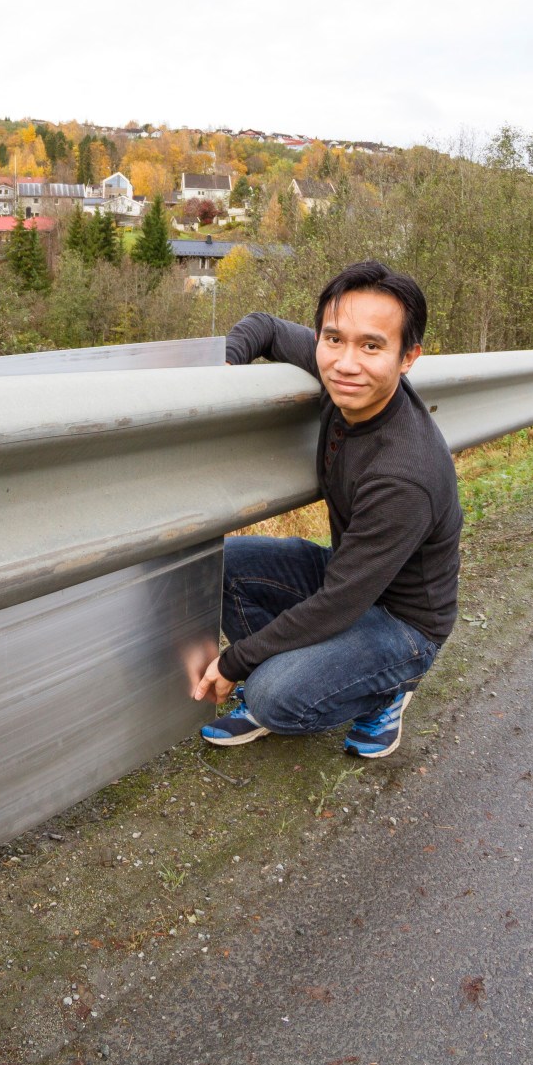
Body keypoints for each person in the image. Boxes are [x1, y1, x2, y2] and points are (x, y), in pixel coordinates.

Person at [193, 260, 462, 759]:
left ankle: (386, 691)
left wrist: (237, 664)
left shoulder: (404, 474)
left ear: (408, 357)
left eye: (372, 346)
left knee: (275, 695)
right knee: (220, 568)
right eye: (334, 338)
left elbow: (339, 603)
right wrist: (225, 370)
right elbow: (265, 327)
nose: (346, 362)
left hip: (403, 623)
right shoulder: (338, 369)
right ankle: (300, 672)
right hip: (353, 578)